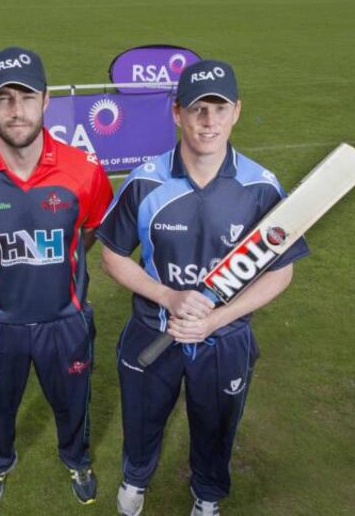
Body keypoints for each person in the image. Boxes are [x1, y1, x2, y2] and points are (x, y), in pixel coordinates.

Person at [96, 60, 310, 516]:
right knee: (141, 420)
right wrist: (169, 296)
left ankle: (207, 497)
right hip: (152, 332)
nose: (208, 121)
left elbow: (280, 270)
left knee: (216, 427)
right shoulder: (146, 181)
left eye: (219, 108)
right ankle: (135, 482)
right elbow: (112, 256)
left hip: (225, 339)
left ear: (236, 111)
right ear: (177, 113)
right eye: (197, 109)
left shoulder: (261, 188)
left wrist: (215, 318)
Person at [0, 47, 114, 508]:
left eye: (27, 97)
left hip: (65, 321)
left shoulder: (86, 171)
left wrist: (55, 264)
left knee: (73, 402)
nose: (17, 110)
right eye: (4, 98)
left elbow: (90, 232)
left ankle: (76, 458)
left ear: (46, 100)